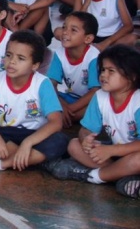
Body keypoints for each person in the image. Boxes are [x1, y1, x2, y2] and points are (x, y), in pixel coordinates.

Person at [0, 30, 67, 172]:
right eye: (8, 55)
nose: (12, 61)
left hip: (35, 135)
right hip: (7, 136)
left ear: (35, 65)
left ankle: (1, 164)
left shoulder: (42, 83)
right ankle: (36, 161)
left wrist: (28, 143)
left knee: (60, 140)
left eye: (21, 58)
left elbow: (56, 122)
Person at [44, 45, 140, 199]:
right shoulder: (100, 96)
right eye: (102, 70)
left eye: (111, 71)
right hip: (116, 154)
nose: (103, 75)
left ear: (132, 76)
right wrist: (86, 140)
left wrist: (111, 150)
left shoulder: (137, 101)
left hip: (131, 153)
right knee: (74, 145)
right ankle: (121, 176)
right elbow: (86, 129)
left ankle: (94, 176)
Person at [47, 12, 100, 127]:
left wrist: (69, 109)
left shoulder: (93, 57)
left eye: (73, 30)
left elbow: (95, 91)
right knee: (43, 95)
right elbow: (51, 84)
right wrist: (62, 105)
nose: (65, 32)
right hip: (68, 96)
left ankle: (64, 117)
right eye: (64, 27)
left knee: (99, 105)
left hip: (89, 100)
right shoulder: (59, 53)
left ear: (88, 38)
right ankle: (63, 116)